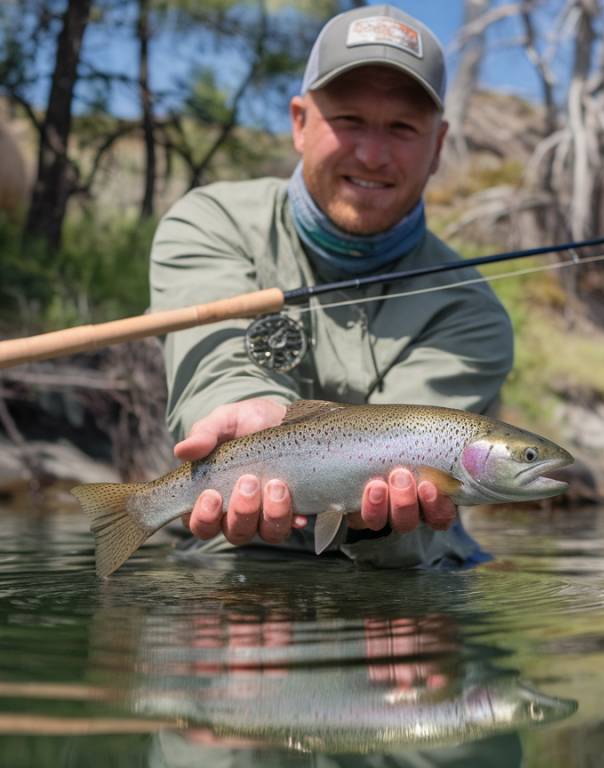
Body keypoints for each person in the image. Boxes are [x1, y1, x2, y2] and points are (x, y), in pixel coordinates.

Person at [148, 4, 513, 568]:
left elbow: (417, 481)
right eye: (348, 120)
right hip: (225, 550)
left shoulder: (471, 312)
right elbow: (216, 367)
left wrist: (379, 512)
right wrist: (241, 408)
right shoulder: (210, 223)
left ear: (438, 147)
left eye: (401, 128)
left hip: (400, 570)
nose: (371, 153)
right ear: (298, 123)